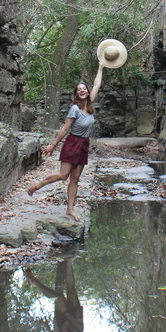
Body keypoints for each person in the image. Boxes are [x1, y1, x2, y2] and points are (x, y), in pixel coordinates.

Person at [27, 61, 104, 221]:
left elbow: (97, 84)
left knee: (75, 179)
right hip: (72, 143)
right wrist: (52, 145)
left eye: (84, 89)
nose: (82, 91)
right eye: (79, 90)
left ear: (87, 92)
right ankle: (36, 186)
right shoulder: (75, 109)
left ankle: (70, 209)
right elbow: (64, 129)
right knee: (63, 175)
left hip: (84, 144)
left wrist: (101, 67)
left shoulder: (89, 106)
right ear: (76, 94)